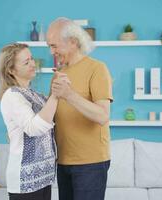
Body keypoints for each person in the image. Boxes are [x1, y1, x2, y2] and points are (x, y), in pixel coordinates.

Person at [47, 17, 114, 200]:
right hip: (62, 161)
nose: (51, 52)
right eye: (49, 46)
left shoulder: (97, 69)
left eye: (54, 46)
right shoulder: (58, 75)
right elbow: (52, 116)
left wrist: (69, 95)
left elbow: (102, 116)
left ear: (73, 42)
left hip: (91, 163)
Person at [0, 43, 68, 200]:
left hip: (43, 176)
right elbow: (34, 127)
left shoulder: (33, 94)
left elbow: (49, 115)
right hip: (25, 180)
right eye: (26, 62)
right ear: (11, 70)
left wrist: (55, 85)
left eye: (31, 59)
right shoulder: (12, 96)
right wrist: (56, 94)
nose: (32, 64)